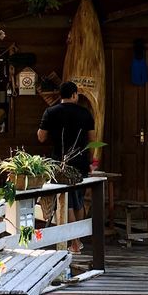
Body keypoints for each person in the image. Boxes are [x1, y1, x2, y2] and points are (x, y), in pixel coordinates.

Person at [38, 81, 96, 226]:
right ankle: (76, 239)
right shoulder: (85, 113)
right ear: (74, 95)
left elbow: (41, 137)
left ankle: (74, 240)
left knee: (66, 200)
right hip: (80, 163)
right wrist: (91, 161)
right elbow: (93, 140)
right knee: (78, 201)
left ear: (61, 95)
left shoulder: (50, 112)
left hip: (59, 163)